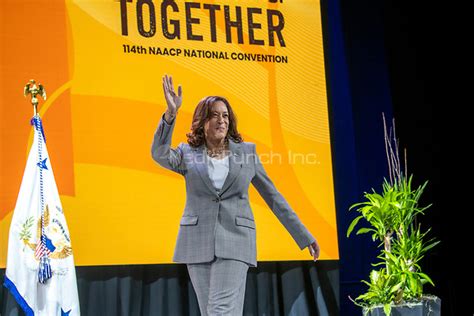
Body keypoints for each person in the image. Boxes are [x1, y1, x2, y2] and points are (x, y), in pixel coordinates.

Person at [151, 74, 320, 316]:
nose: (221, 120)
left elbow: (273, 197)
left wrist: (304, 235)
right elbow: (158, 153)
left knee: (221, 312)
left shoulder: (247, 153)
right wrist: (170, 115)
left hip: (236, 240)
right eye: (214, 115)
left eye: (225, 115)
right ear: (201, 121)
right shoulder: (187, 153)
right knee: (212, 312)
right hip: (196, 243)